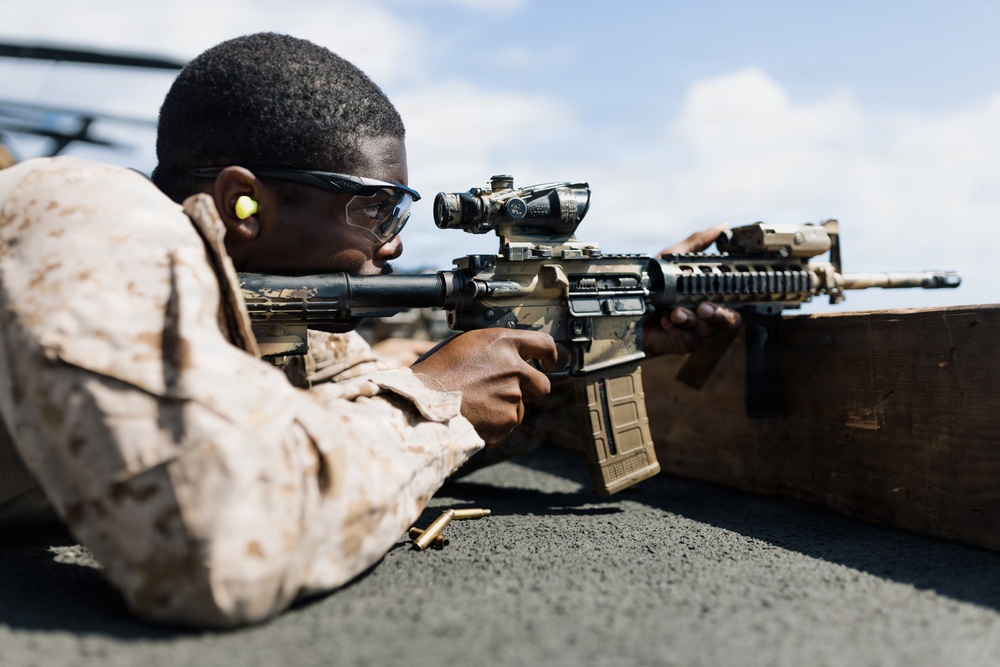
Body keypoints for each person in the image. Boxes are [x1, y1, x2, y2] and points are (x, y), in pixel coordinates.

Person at [0, 33, 739, 628]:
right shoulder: (87, 214)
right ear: (244, 204)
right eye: (376, 209)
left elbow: (345, 437)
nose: (391, 245)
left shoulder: (282, 321)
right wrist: (430, 397)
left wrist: (580, 345)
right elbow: (212, 545)